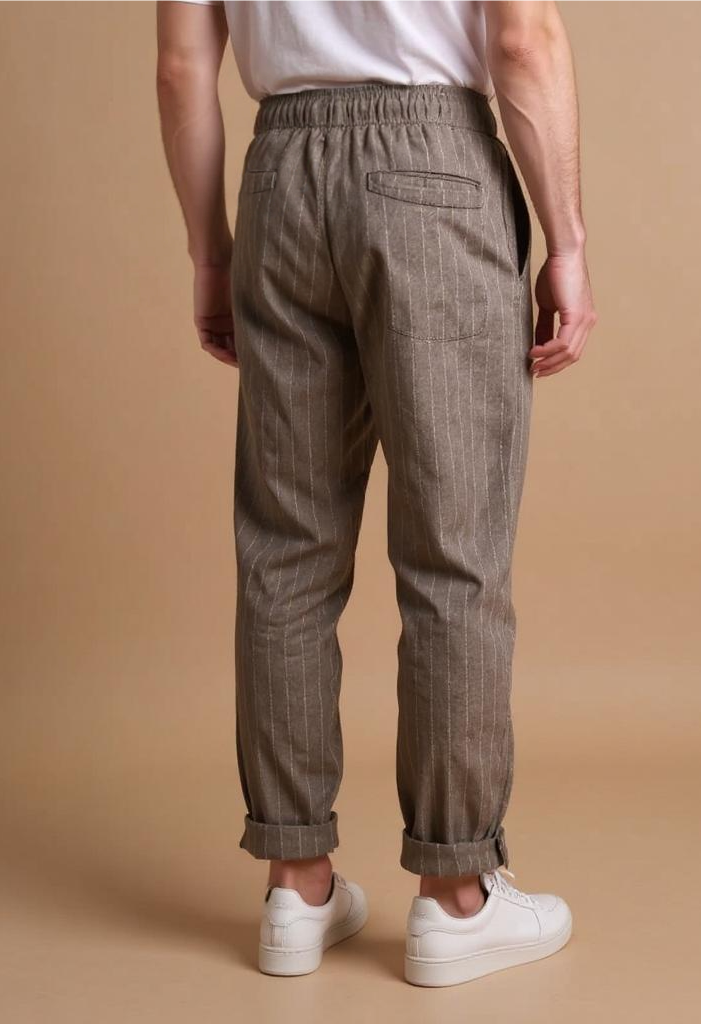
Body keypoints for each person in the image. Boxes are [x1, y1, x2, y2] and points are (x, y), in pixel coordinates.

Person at [156, 0, 597, 986]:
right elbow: (522, 37)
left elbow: (182, 69)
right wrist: (565, 243)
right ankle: (457, 897)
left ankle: (295, 885)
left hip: (279, 180)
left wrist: (211, 253)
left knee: (286, 551)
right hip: (433, 172)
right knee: (453, 551)